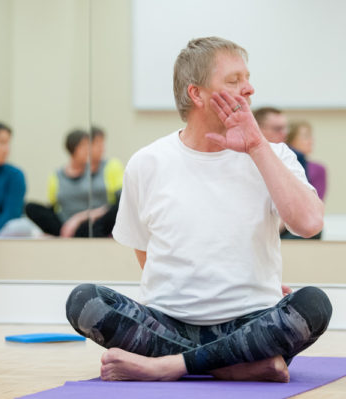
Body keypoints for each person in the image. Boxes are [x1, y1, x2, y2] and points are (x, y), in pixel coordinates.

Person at [65, 36, 331, 383]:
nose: (249, 89)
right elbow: (143, 251)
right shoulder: (147, 163)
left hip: (249, 321)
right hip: (167, 322)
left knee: (313, 305)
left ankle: (169, 366)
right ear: (197, 94)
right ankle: (230, 366)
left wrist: (255, 146)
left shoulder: (274, 155)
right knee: (83, 301)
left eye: (247, 78)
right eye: (234, 81)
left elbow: (310, 223)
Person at [25, 128, 123, 237]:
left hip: (94, 222)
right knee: (30, 207)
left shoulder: (99, 169)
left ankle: (76, 234)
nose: (88, 150)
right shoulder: (57, 175)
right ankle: (66, 233)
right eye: (83, 146)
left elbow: (115, 204)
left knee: (115, 210)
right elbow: (53, 207)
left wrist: (78, 218)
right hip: (65, 223)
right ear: (73, 148)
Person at [254, 107, 308, 175]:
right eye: (278, 129)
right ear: (258, 129)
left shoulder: (296, 156)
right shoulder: (246, 155)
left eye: (285, 128)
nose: (285, 134)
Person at [286, 121, 327, 201]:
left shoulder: (318, 169)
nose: (311, 141)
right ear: (291, 139)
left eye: (310, 136)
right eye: (306, 137)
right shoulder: (282, 164)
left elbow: (317, 200)